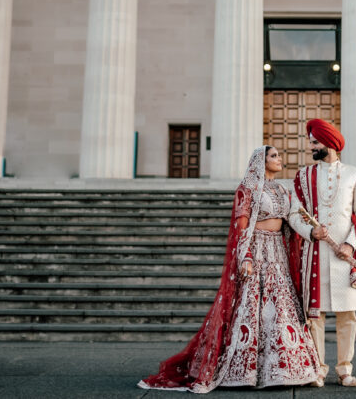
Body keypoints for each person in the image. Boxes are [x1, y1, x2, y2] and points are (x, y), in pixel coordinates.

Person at [138, 146, 322, 393]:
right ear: (261, 161)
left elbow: (292, 221)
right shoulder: (247, 190)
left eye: (278, 156)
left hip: (277, 252)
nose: (280, 160)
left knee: (281, 309)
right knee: (252, 308)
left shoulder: (282, 189)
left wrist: (312, 233)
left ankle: (286, 369)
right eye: (274, 156)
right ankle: (246, 370)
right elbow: (240, 226)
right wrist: (244, 256)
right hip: (256, 251)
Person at [288, 119, 356, 388]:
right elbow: (294, 213)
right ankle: (318, 370)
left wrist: (350, 244)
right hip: (315, 254)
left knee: (347, 314)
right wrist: (308, 231)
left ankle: (344, 369)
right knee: (315, 315)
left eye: (315, 142)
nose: (311, 146)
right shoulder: (303, 176)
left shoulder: (354, 174)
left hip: (344, 258)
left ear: (329, 143)